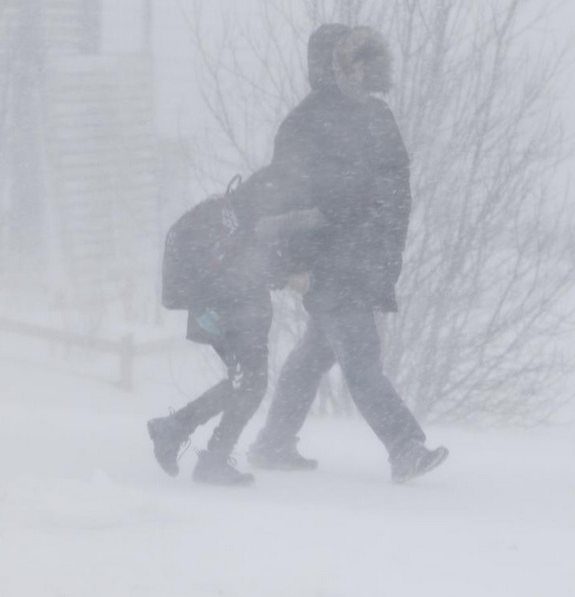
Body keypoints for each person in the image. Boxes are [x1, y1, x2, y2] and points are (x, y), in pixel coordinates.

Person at [246, 24, 448, 483]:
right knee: (361, 359)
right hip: (329, 264)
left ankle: (273, 443)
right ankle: (405, 447)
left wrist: (384, 248)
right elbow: (285, 200)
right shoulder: (304, 123)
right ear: (330, 65)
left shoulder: (376, 116)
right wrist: (291, 266)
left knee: (314, 353)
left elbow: (395, 189)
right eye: (351, 61)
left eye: (365, 60)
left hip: (367, 258)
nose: (360, 70)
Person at [147, 170, 318, 486]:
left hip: (230, 309)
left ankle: (175, 431)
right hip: (229, 311)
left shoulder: (232, 213)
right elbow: (241, 270)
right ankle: (206, 455)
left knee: (246, 384)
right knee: (249, 385)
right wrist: (286, 277)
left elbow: (245, 263)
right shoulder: (235, 222)